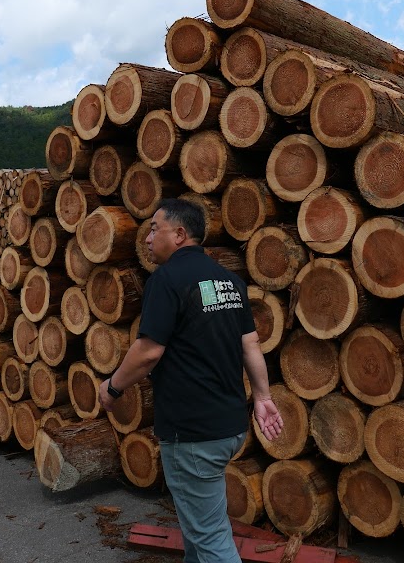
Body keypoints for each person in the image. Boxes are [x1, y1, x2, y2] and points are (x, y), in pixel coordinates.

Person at [99, 198, 283, 563]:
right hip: (229, 427)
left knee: (211, 538)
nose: (148, 238)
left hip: (193, 433)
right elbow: (250, 343)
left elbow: (149, 352)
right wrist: (261, 398)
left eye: (155, 229)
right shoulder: (229, 281)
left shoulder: (167, 281)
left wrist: (113, 387)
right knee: (198, 531)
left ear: (180, 234)